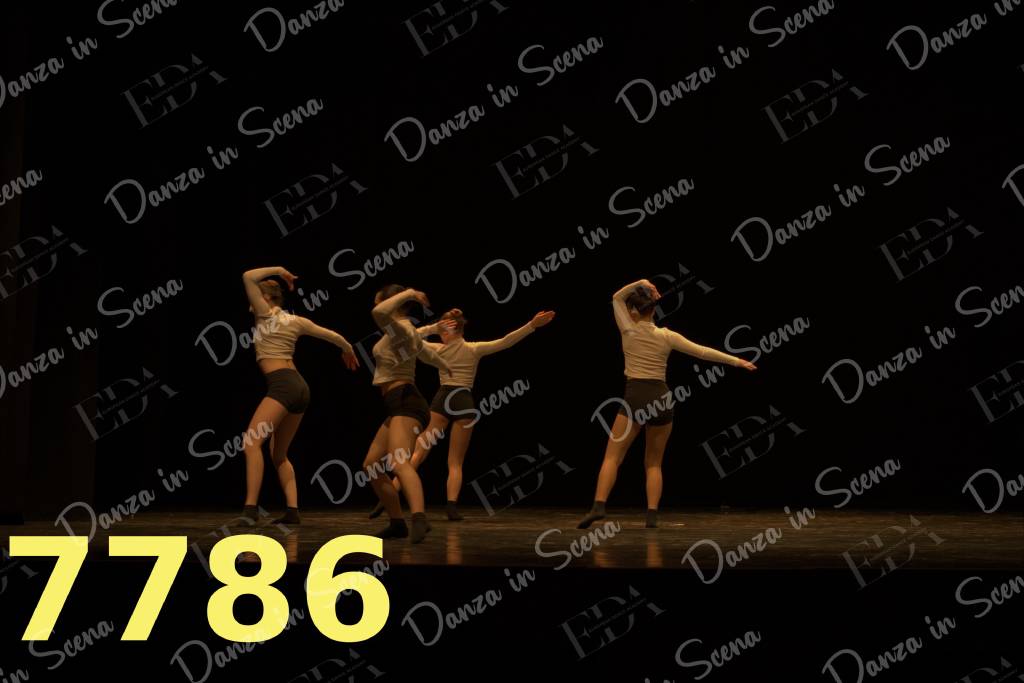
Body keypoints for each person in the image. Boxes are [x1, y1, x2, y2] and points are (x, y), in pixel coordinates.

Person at [577, 279, 757, 529]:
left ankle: (599, 506)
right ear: (654, 309)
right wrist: (737, 361)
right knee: (653, 463)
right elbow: (702, 351)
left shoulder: (628, 330)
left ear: (633, 311)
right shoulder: (667, 336)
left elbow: (616, 297)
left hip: (636, 395)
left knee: (612, 457)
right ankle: (652, 515)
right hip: (661, 399)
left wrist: (640, 282)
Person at [369, 308, 556, 521]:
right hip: (464, 402)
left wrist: (428, 328)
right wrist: (531, 325)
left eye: (443, 329)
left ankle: (387, 500)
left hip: (442, 401)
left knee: (418, 453)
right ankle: (451, 507)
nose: (440, 333)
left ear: (449, 330)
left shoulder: (437, 349)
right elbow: (505, 341)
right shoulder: (473, 349)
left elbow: (411, 340)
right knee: (455, 461)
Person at [240, 266, 359, 525]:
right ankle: (292, 511)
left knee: (251, 443)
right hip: (300, 387)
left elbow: (248, 276)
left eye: (255, 296)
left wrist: (279, 271)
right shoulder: (296, 321)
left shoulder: (264, 314)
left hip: (283, 385)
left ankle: (250, 509)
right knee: (279, 454)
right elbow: (331, 335)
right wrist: (347, 348)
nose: (250, 302)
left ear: (265, 298)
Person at [363, 285, 451, 543]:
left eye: (379, 300)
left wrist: (411, 293)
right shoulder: (400, 331)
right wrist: (444, 365)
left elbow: (379, 312)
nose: (376, 304)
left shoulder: (400, 327)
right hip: (396, 404)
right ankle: (397, 523)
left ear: (390, 302)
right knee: (371, 465)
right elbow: (425, 353)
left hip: (407, 402)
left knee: (399, 462)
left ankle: (419, 518)